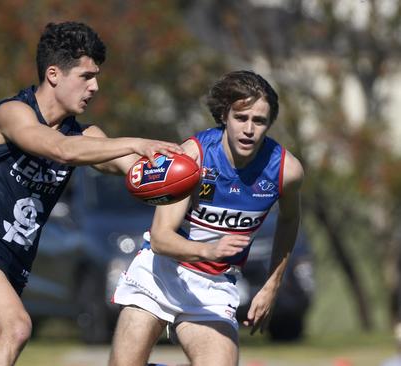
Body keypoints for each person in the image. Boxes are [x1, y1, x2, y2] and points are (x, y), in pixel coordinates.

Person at [0, 21, 183, 366]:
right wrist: (136, 140)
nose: (95, 86)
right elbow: (61, 150)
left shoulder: (85, 135)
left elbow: (131, 166)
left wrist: (184, 170)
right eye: (86, 76)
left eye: (96, 76)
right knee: (15, 328)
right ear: (54, 74)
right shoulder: (12, 114)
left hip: (8, 273)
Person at [109, 70, 305, 366]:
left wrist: (271, 285)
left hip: (214, 286)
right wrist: (209, 250)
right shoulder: (194, 158)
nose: (249, 129)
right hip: (160, 274)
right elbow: (161, 239)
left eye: (259, 121)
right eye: (241, 118)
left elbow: (290, 221)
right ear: (225, 115)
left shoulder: (286, 171)